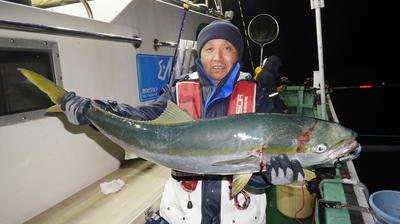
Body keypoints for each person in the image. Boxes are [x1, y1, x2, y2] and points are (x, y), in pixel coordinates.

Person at [59, 20, 304, 224]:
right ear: (201, 53)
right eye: (209, 49)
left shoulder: (256, 94)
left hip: (238, 215)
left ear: (237, 53)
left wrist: (271, 178)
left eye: (227, 48)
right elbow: (142, 117)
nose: (217, 58)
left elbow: (257, 163)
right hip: (182, 214)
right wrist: (94, 111)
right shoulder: (179, 89)